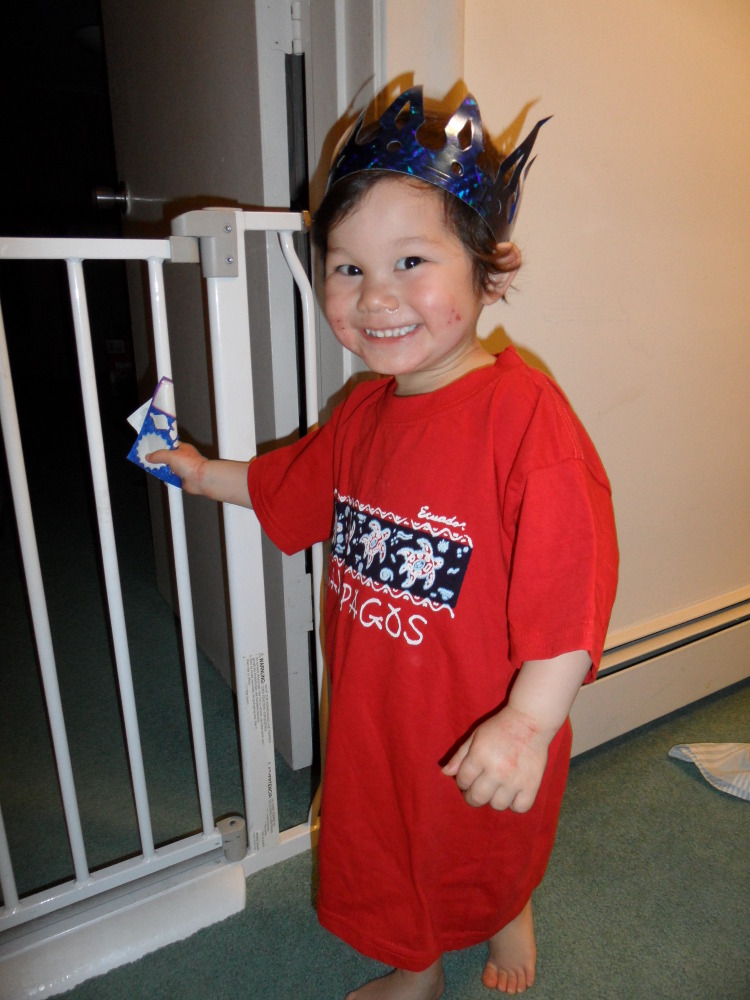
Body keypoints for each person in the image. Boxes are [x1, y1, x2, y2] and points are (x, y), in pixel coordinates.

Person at [149, 86, 618, 999]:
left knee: (483, 838)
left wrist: (527, 722)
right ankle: (418, 969)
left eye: (410, 261)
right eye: (347, 268)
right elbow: (290, 486)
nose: (375, 296)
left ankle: (508, 910)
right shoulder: (360, 415)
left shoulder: (525, 420)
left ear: (488, 272)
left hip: (484, 712)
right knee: (390, 842)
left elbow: (572, 593)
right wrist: (204, 473)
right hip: (376, 710)